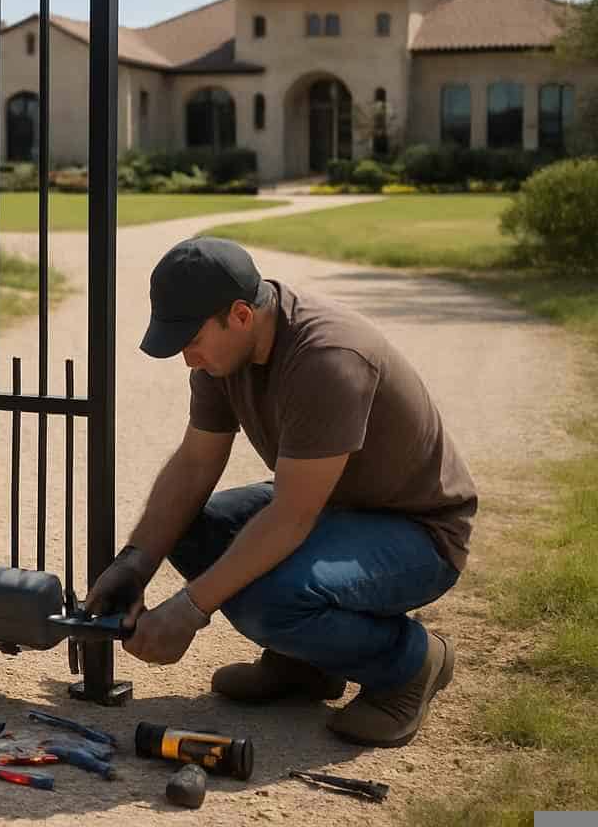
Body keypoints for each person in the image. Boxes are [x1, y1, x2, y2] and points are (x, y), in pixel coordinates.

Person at [83, 236, 477, 748]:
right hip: (334, 509)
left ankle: (409, 662)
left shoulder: (327, 359)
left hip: (418, 533)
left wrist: (188, 608)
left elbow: (291, 516)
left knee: (270, 600)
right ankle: (306, 665)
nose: (187, 358)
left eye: (190, 340)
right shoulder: (221, 357)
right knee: (190, 531)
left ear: (241, 315)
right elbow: (195, 463)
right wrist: (135, 564)